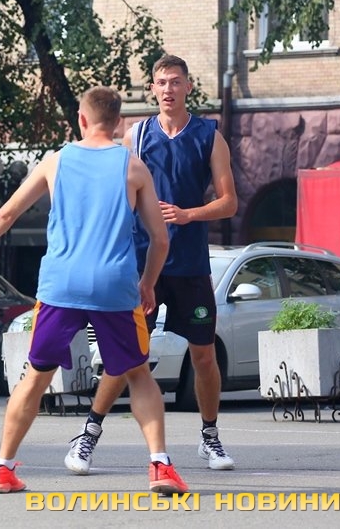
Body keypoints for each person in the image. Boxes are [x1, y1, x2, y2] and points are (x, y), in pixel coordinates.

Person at [0, 86, 187, 495]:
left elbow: (9, 212)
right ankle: (160, 466)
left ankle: (2, 468)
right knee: (138, 375)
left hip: (61, 284)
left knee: (35, 376)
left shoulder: (56, 161)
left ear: (81, 119)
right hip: (114, 285)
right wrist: (148, 283)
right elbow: (160, 238)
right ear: (118, 123)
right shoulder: (133, 167)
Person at [64, 54, 238, 476]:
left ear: (188, 87)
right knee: (124, 355)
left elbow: (229, 202)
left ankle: (210, 436)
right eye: (161, 82)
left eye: (175, 81)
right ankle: (88, 434)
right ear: (152, 89)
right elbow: (111, 192)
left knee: (203, 356)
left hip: (190, 265)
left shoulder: (209, 136)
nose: (168, 89)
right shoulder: (137, 136)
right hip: (141, 267)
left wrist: (188, 214)